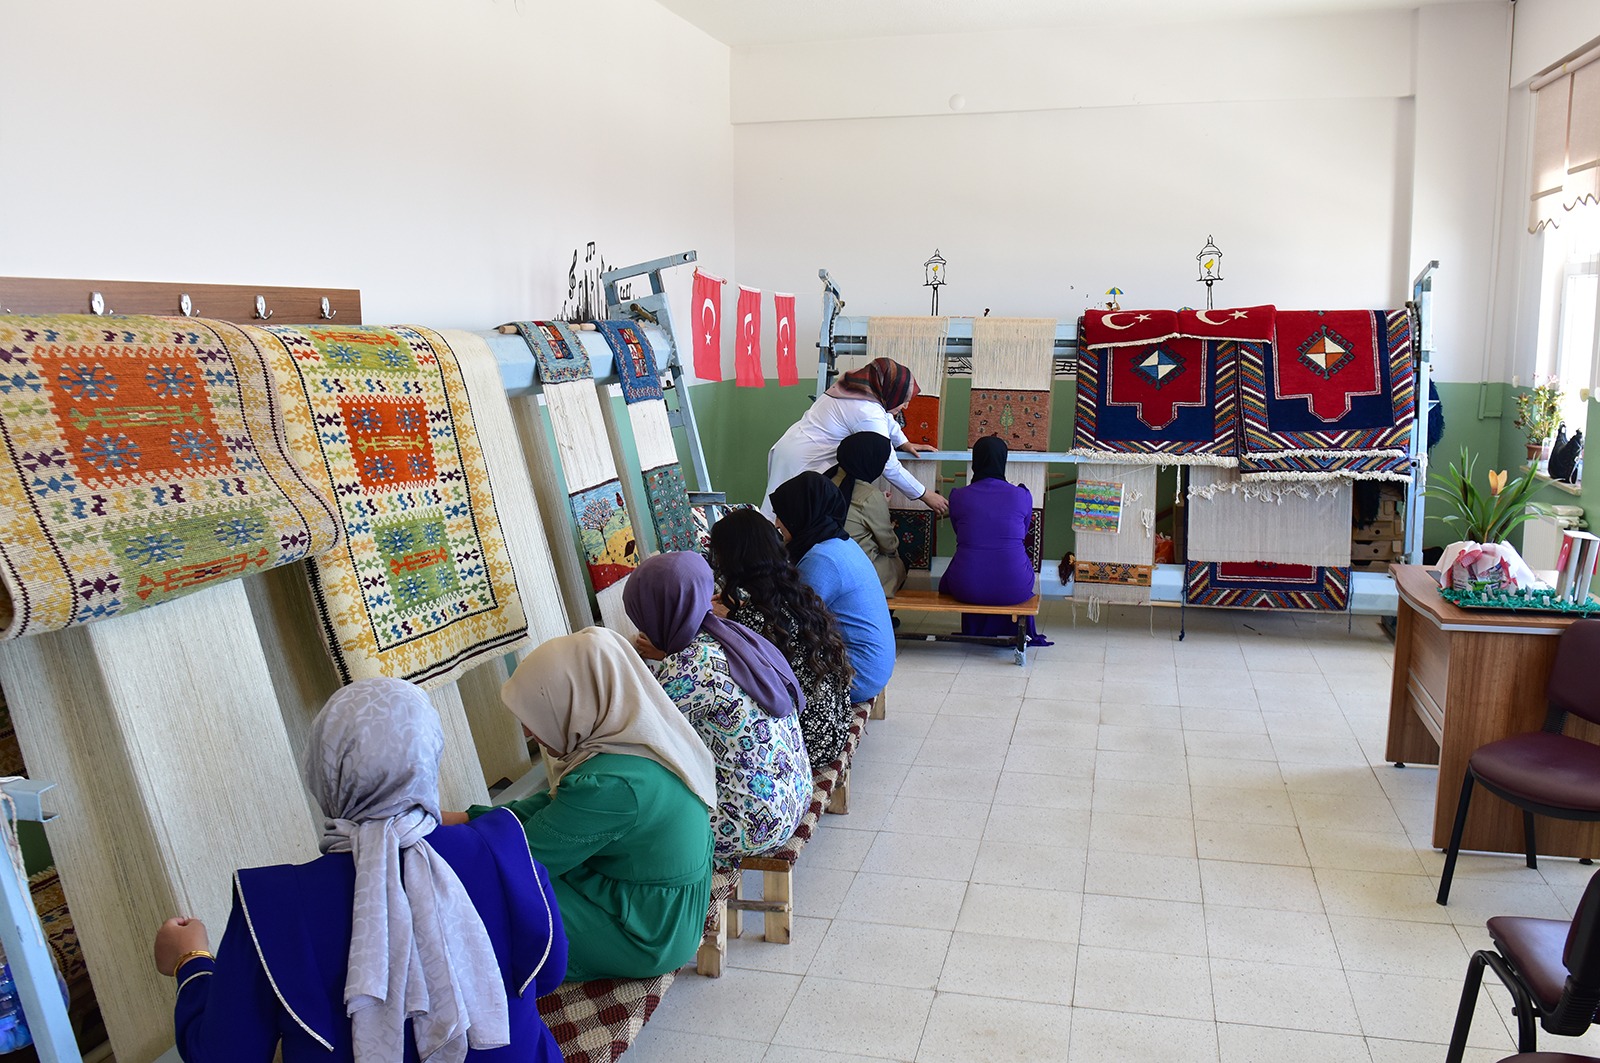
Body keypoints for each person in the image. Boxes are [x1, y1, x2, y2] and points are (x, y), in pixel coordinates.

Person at [155, 677, 567, 1063]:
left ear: (321, 773)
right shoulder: (502, 848)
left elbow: (224, 1054)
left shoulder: (272, 906)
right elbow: (548, 975)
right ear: (429, 757)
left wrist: (190, 960)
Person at [461, 627, 715, 982]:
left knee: (481, 901)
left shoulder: (611, 784)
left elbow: (522, 859)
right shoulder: (640, 742)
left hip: (646, 933)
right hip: (656, 903)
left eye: (533, 715)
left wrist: (436, 851)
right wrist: (463, 818)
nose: (528, 734)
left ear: (575, 703)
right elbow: (553, 812)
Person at [623, 552, 811, 864]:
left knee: (631, 819)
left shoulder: (689, 665)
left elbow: (639, 735)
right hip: (793, 795)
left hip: (754, 824)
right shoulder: (733, 635)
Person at [709, 509, 857, 772]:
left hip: (807, 744)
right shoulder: (796, 596)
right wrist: (736, 613)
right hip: (835, 728)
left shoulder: (753, 619)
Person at [763, 357, 949, 517]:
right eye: (903, 400)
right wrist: (924, 495)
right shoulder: (866, 410)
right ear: (890, 392)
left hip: (791, 445)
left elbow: (883, 415)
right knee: (782, 516)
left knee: (781, 511)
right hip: (803, 459)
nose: (906, 406)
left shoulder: (856, 383)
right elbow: (888, 463)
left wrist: (904, 442)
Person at [768, 471, 895, 704]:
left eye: (781, 515)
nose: (777, 523)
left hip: (857, 675)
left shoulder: (823, 558)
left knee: (758, 664)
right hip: (872, 666)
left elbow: (786, 621)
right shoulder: (839, 543)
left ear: (800, 514)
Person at [940, 435, 1045, 643]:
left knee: (963, 564)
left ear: (975, 461)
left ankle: (977, 627)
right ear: (1003, 460)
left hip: (966, 586)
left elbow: (960, 534)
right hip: (1015, 586)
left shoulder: (958, 496)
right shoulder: (1021, 495)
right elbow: (1022, 535)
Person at [825, 432, 908, 598]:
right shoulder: (870, 496)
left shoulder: (823, 482)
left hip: (822, 567)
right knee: (902, 560)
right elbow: (889, 545)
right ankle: (884, 614)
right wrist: (881, 506)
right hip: (854, 573)